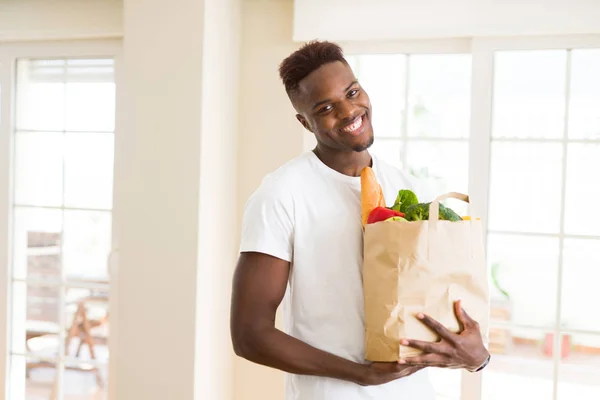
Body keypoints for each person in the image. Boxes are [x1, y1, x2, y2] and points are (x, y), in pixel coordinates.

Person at [230, 40, 490, 400]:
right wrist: (361, 375)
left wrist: (478, 357)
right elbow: (249, 334)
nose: (350, 110)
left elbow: (440, 302)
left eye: (352, 92)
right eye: (326, 108)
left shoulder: (407, 186)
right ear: (304, 122)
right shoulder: (281, 194)